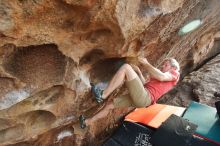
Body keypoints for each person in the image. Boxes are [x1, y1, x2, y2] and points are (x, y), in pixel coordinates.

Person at [79, 57, 180, 129]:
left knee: (126, 67)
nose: (162, 66)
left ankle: (103, 94)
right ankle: (86, 123)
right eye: (163, 64)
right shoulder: (159, 79)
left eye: (166, 64)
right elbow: (144, 85)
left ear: (173, 68)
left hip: (145, 97)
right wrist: (139, 72)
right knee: (110, 105)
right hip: (143, 98)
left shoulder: (174, 74)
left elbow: (161, 76)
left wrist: (146, 63)